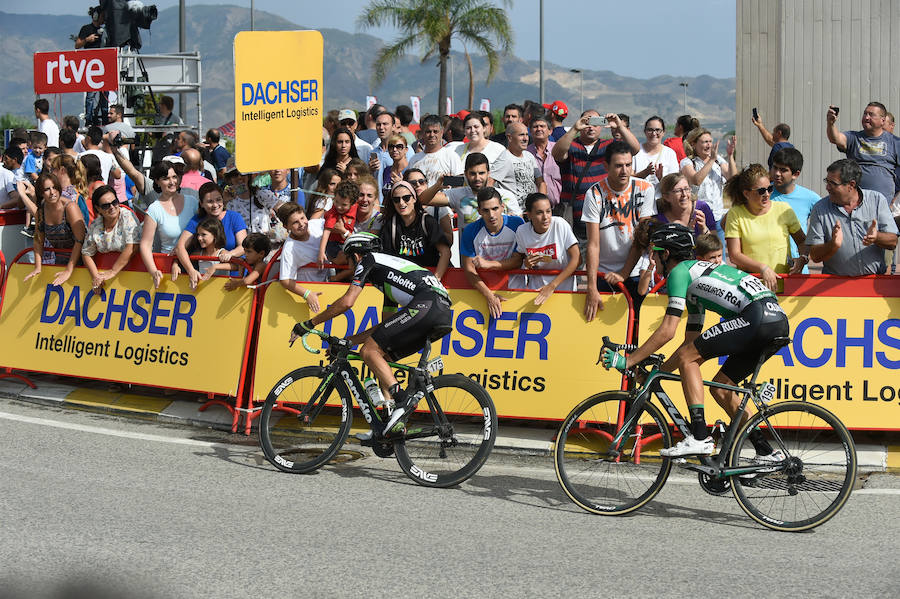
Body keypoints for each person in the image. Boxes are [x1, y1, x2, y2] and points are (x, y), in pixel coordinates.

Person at [602, 222, 788, 461]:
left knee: (690, 359)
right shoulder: (696, 278)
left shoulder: (680, 273)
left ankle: (700, 437)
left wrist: (628, 361)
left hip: (757, 317)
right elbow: (689, 344)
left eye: (655, 254)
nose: (653, 260)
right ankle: (766, 451)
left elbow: (668, 331)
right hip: (775, 319)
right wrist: (657, 372)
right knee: (721, 387)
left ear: (666, 253)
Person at [293, 232, 452, 434]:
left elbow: (347, 302)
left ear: (356, 255)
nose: (351, 269)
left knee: (368, 352)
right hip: (439, 310)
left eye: (349, 261)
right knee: (379, 354)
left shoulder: (368, 260)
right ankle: (389, 421)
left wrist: (309, 324)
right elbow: (385, 327)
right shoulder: (389, 277)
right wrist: (350, 340)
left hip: (427, 304)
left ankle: (402, 400)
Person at [582, 141, 657, 320]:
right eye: (618, 166)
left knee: (635, 325)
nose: (624, 171)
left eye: (628, 165)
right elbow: (593, 244)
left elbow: (643, 236)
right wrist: (591, 287)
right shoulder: (594, 193)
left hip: (636, 271)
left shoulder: (645, 188)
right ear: (606, 166)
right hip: (603, 272)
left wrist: (623, 273)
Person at [552, 110, 640, 240]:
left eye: (596, 123)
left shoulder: (608, 146)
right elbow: (557, 154)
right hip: (574, 216)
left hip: (603, 214)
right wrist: (574, 128)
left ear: (602, 125)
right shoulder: (570, 145)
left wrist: (620, 127)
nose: (591, 127)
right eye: (587, 123)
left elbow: (634, 149)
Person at [807, 158, 898, 275]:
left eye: (833, 183)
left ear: (851, 185)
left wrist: (876, 237)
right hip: (835, 286)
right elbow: (815, 256)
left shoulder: (876, 200)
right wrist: (833, 245)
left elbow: (893, 241)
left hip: (873, 283)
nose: (827, 187)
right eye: (827, 181)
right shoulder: (820, 209)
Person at [723, 163, 807, 290]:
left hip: (782, 286)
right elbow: (734, 255)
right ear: (746, 194)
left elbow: (802, 241)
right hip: (750, 288)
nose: (767, 194)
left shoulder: (784, 209)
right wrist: (762, 268)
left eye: (770, 188)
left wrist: (802, 259)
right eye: (761, 191)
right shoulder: (736, 213)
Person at [460, 187, 526, 317]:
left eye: (495, 208)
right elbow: (469, 269)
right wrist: (489, 296)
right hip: (483, 292)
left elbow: (518, 261)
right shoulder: (470, 231)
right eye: (486, 210)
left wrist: (488, 264)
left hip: (515, 290)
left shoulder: (517, 224)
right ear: (479, 211)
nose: (491, 215)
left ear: (502, 207)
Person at [418, 152, 521, 233]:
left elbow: (519, 226)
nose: (477, 178)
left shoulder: (507, 196)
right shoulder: (457, 195)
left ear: (488, 173)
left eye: (481, 173)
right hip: (469, 255)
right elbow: (423, 200)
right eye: (472, 174)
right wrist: (437, 186)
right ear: (465, 174)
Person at [138, 161, 200, 288]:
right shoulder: (154, 209)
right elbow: (145, 244)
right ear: (157, 182)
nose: (172, 182)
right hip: (168, 268)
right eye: (166, 178)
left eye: (174, 177)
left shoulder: (192, 202)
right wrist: (153, 271)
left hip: (196, 262)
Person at [175, 182, 247, 288]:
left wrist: (230, 254)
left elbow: (243, 246)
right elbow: (180, 247)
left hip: (232, 280)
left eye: (218, 200)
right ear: (201, 203)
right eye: (209, 201)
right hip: (204, 279)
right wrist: (191, 270)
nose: (215, 205)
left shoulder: (234, 217)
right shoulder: (197, 220)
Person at [22, 173, 86, 287]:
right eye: (47, 189)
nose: (52, 192)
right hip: (60, 260)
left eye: (55, 187)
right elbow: (38, 240)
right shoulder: (42, 209)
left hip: (83, 259)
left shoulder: (70, 207)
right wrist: (38, 266)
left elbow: (80, 241)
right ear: (41, 193)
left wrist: (69, 270)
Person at [515, 192, 579, 304]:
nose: (545, 217)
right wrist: (527, 264)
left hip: (564, 292)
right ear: (528, 215)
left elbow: (577, 259)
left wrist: (552, 286)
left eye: (548, 211)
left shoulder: (560, 224)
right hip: (536, 293)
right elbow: (520, 259)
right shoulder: (522, 231)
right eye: (539, 213)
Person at [827, 102, 898, 201]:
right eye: (865, 114)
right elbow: (835, 138)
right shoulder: (853, 137)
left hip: (883, 203)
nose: (866, 117)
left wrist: (895, 201)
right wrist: (831, 123)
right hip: (855, 203)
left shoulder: (895, 142)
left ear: (882, 120)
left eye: (871, 114)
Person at [379, 181, 450, 279]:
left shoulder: (427, 221)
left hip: (429, 275)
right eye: (396, 199)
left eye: (406, 198)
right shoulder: (390, 225)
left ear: (414, 199)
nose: (401, 203)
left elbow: (445, 251)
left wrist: (436, 279)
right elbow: (386, 258)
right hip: (402, 279)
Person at [769, 148, 821, 273]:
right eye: (775, 167)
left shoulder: (811, 198)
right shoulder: (762, 193)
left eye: (783, 170)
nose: (776, 173)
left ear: (796, 174)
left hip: (797, 270)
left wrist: (804, 256)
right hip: (768, 269)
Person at [81, 185, 141, 290]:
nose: (112, 207)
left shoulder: (127, 216)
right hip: (106, 279)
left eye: (114, 202)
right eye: (105, 206)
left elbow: (132, 246)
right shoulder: (95, 225)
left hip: (133, 276)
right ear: (98, 208)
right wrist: (96, 277)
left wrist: (113, 271)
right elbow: (86, 253)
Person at [277, 202, 327, 311]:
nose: (301, 224)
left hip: (330, 283)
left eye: (302, 218)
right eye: (295, 222)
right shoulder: (289, 248)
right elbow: (285, 280)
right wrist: (307, 294)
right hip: (313, 291)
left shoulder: (317, 225)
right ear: (286, 226)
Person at [407, 114, 464, 185]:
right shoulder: (414, 159)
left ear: (442, 132)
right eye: (428, 132)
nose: (432, 135)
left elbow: (459, 185)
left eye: (435, 131)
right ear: (423, 133)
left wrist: (449, 181)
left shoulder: (451, 156)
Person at [633, 116, 680, 194]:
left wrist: (661, 178)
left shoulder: (669, 153)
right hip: (638, 200)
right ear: (645, 132)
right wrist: (644, 173)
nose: (654, 133)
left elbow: (674, 183)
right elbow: (628, 179)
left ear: (663, 132)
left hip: (661, 201)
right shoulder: (636, 151)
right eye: (650, 130)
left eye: (658, 130)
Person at [505, 122, 546, 209]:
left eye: (527, 135)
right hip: (513, 214)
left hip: (531, 212)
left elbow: (541, 182)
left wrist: (540, 204)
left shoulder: (529, 156)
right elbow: (490, 183)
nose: (525, 139)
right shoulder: (503, 158)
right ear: (509, 137)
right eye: (521, 135)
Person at [318, 180, 359, 264]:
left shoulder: (356, 206)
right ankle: (333, 273)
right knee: (342, 261)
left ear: (353, 203)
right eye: (336, 202)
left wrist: (343, 230)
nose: (339, 207)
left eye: (344, 205)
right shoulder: (334, 213)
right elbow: (326, 232)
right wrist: (321, 252)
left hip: (347, 241)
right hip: (335, 244)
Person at [527, 115, 562, 208]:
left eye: (542, 126)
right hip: (536, 208)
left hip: (560, 206)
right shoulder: (526, 154)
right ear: (530, 132)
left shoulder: (558, 149)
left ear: (550, 131)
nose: (539, 129)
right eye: (535, 127)